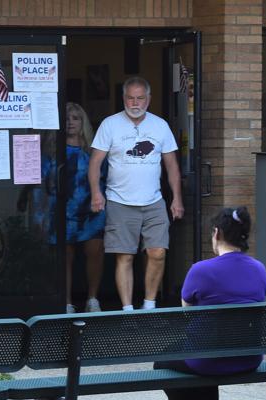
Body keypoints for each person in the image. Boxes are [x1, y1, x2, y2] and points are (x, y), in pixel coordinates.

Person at [155, 206, 266, 400]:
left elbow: (187, 311)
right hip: (248, 357)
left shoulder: (201, 270)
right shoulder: (259, 268)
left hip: (208, 359)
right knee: (202, 350)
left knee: (164, 361)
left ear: (216, 233)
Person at [88, 76, 184, 311]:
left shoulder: (160, 126)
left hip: (154, 200)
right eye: (130, 97)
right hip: (119, 201)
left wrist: (177, 199)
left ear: (149, 99)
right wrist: (96, 194)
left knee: (158, 252)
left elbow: (172, 165)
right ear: (123, 98)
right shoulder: (110, 125)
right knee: (125, 256)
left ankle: (149, 304)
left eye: (140, 98)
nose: (135, 102)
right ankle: (128, 309)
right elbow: (94, 163)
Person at [61, 102, 107, 313]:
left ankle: (92, 299)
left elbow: (106, 178)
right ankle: (67, 301)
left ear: (83, 122)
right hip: (62, 209)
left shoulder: (94, 150)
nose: (71, 122)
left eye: (76, 118)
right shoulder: (55, 148)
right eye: (67, 118)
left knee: (95, 252)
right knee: (65, 256)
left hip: (92, 208)